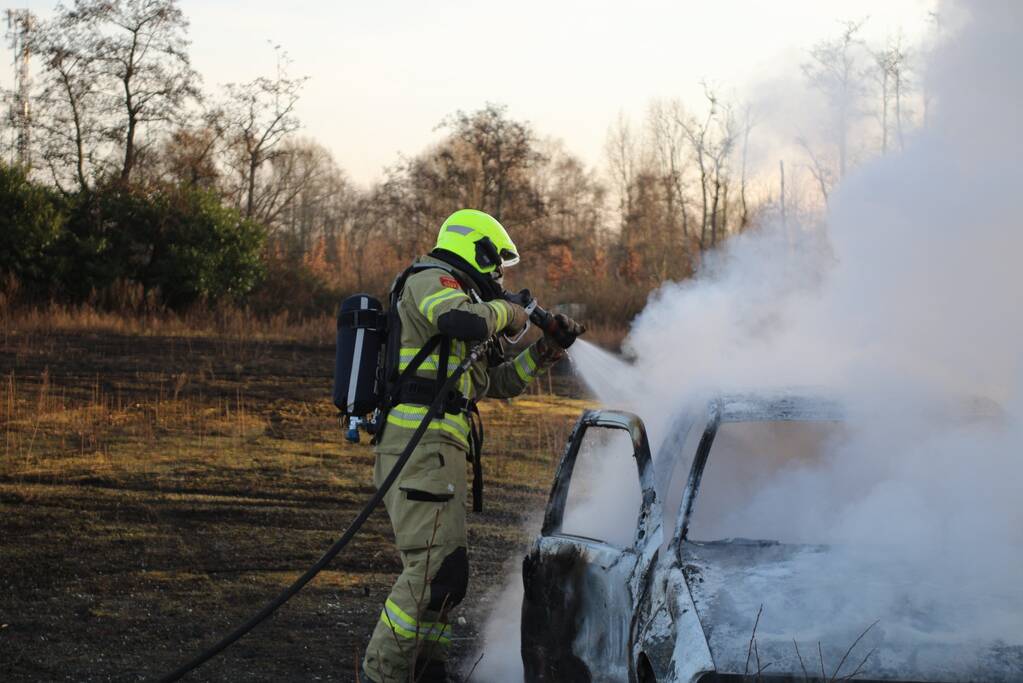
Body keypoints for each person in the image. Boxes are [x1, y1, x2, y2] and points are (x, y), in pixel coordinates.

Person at [361, 209, 584, 683]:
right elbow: (461, 320)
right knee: (433, 572)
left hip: (439, 451)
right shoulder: (431, 279)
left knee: (447, 577)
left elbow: (494, 381)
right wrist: (513, 310)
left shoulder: (463, 298)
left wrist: (544, 350)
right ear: (474, 249)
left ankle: (427, 671)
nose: (499, 275)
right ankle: (381, 674)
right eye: (495, 263)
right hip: (417, 446)